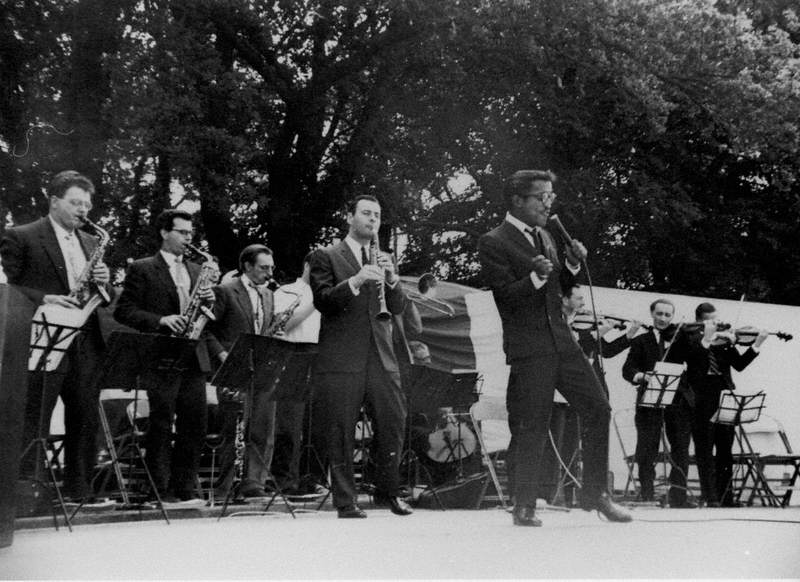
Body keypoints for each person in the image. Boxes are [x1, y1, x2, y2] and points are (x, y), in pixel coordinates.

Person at [478, 169, 631, 526]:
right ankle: (524, 504)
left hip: (562, 341)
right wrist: (534, 277)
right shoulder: (494, 240)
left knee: (598, 408)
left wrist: (573, 264)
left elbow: (561, 285)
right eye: (541, 196)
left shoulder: (546, 235)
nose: (549, 203)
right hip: (530, 347)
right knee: (532, 424)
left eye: (550, 196)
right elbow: (504, 296)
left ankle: (596, 495)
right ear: (518, 200)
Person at [0, 170, 112, 502]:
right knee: (36, 417)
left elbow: (104, 297)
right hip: (43, 338)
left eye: (87, 205)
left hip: (85, 340)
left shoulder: (92, 242)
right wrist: (44, 299)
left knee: (85, 418)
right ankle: (26, 493)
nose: (83, 211)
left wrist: (104, 282)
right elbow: (8, 289)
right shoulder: (20, 236)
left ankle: (80, 492)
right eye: (76, 203)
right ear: (54, 201)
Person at [309, 194, 412, 518]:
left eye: (377, 215)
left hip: (381, 356)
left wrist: (392, 280)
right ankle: (345, 500)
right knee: (341, 430)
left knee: (393, 422)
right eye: (366, 213)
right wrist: (355, 280)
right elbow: (323, 300)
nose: (373, 220)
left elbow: (397, 308)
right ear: (349, 216)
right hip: (342, 358)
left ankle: (388, 492)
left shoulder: (383, 258)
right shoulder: (325, 256)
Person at [114, 209, 215, 504]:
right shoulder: (143, 268)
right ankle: (159, 489)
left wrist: (211, 301)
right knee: (160, 421)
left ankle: (183, 491)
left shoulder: (198, 270)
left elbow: (211, 313)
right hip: (160, 354)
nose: (188, 239)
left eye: (190, 233)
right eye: (182, 233)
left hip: (193, 354)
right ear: (164, 232)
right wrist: (161, 320)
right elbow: (124, 311)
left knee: (195, 423)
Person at [205, 244, 277, 498]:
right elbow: (207, 329)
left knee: (261, 428)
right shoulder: (225, 291)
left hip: (260, 367)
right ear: (247, 266)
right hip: (232, 368)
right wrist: (222, 355)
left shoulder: (269, 294)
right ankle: (224, 488)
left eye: (271, 267)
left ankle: (253, 484)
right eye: (263, 267)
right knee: (231, 430)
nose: (269, 273)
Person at [683, 302, 767, 507]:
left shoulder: (725, 342)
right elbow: (693, 360)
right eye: (712, 320)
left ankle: (725, 497)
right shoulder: (691, 339)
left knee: (725, 449)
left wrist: (756, 345)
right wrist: (707, 339)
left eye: (718, 320)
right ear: (700, 321)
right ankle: (709, 496)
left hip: (724, 394)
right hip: (701, 397)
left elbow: (739, 365)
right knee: (704, 448)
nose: (718, 324)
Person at [621, 299, 695, 507]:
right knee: (647, 447)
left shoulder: (681, 340)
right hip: (649, 399)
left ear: (672, 317)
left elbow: (697, 360)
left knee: (680, 448)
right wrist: (641, 376)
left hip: (678, 400)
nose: (663, 319)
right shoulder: (640, 341)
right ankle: (647, 495)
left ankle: (678, 496)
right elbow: (628, 369)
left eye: (667, 315)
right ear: (652, 314)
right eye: (659, 314)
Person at [269, 251, 322, 496]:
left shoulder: (331, 292)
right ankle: (284, 481)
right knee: (289, 424)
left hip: (322, 355)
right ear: (307, 265)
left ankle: (312, 480)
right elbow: (284, 325)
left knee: (317, 424)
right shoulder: (286, 291)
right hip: (293, 353)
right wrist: (315, 302)